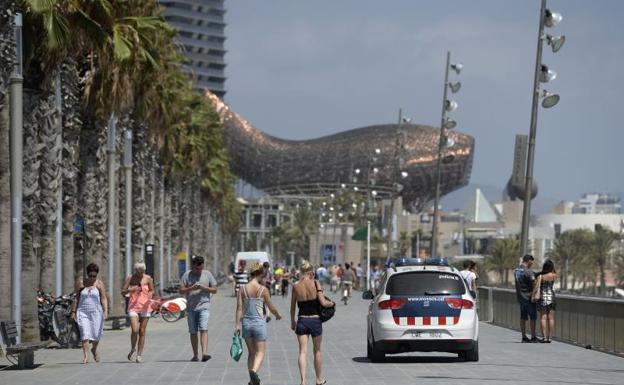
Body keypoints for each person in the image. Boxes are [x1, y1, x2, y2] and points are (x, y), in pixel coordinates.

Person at [235, 262, 282, 385]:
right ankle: (254, 372)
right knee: (260, 352)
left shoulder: (242, 289)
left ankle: (251, 380)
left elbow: (239, 308)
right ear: (261, 274)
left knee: (251, 353)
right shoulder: (263, 289)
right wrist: (277, 315)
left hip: (246, 323)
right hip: (258, 323)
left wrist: (237, 325)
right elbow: (271, 307)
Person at [290, 261, 334, 385]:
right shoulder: (315, 283)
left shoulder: (296, 286)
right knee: (317, 351)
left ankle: (303, 381)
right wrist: (333, 304)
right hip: (315, 321)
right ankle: (319, 379)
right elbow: (324, 302)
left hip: (302, 320)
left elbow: (293, 307)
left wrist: (292, 321)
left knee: (302, 351)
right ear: (311, 271)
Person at [179, 256, 218, 361]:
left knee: (204, 328)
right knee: (193, 331)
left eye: (200, 268)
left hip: (204, 306)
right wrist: (191, 288)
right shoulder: (187, 275)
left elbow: (215, 290)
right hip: (191, 308)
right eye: (197, 269)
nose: (199, 271)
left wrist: (204, 288)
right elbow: (181, 290)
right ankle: (195, 355)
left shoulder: (207, 274)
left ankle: (204, 353)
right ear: (193, 266)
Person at [71, 263, 108, 364]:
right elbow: (76, 298)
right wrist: (73, 311)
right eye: (90, 276)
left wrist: (105, 311)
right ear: (87, 274)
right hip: (82, 312)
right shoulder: (81, 283)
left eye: (94, 276)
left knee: (96, 334)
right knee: (85, 333)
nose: (92, 278)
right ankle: (86, 356)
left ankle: (94, 349)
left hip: (96, 312)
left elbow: (104, 298)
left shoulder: (99, 284)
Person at [121, 262, 154, 363]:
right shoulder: (130, 278)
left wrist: (149, 295)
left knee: (142, 331)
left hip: (145, 306)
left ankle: (139, 355)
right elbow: (123, 291)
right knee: (135, 330)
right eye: (138, 272)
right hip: (133, 307)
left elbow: (152, 290)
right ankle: (132, 348)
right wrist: (131, 289)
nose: (140, 274)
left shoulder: (148, 278)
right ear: (135, 270)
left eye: (142, 271)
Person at [514, 254, 538, 343]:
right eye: (532, 262)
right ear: (529, 261)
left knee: (523, 317)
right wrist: (534, 295)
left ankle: (523, 336)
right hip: (529, 298)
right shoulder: (528, 271)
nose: (532, 264)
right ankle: (533, 336)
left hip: (521, 298)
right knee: (533, 317)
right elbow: (534, 283)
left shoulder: (516, 270)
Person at [534, 260, 558, 343]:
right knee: (551, 318)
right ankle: (550, 338)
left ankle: (544, 337)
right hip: (552, 298)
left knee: (543, 318)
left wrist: (533, 295)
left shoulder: (541, 276)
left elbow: (536, 287)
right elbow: (554, 273)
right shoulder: (554, 276)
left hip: (543, 298)